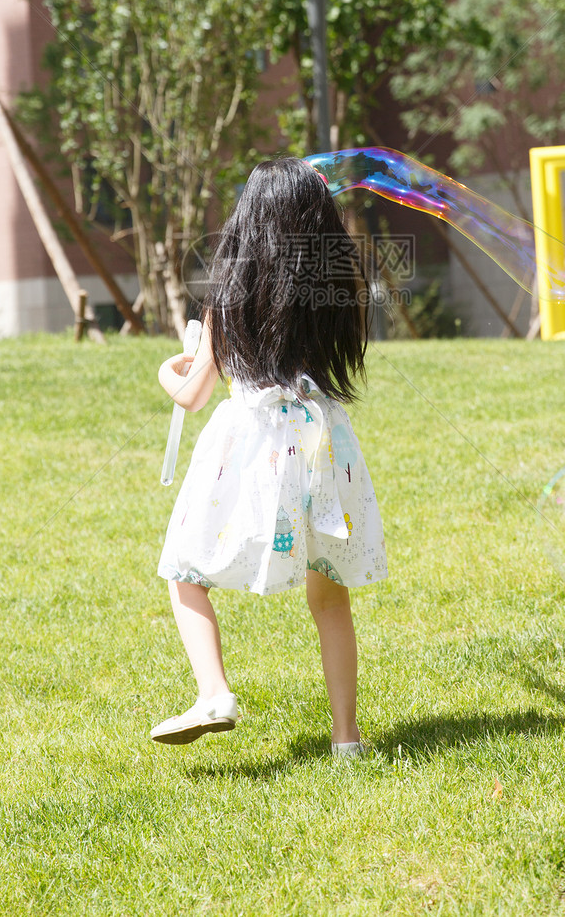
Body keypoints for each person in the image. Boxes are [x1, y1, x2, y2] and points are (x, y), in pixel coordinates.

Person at [152, 157, 387, 756]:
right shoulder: (338, 294)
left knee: (184, 568)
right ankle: (347, 738)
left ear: (248, 224)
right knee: (329, 591)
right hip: (322, 446)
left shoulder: (227, 300)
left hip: (252, 447)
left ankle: (214, 693)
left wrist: (169, 368)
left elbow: (195, 393)